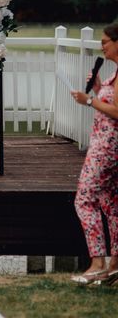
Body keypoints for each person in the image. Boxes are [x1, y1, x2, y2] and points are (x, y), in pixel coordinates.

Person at [70, 22, 118, 285]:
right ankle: (114, 266)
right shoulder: (115, 74)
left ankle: (97, 261)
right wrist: (99, 89)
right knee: (111, 203)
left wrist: (88, 100)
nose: (102, 46)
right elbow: (111, 104)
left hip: (106, 147)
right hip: (110, 145)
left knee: (85, 199)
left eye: (106, 41)